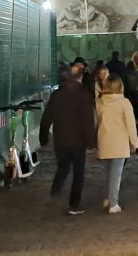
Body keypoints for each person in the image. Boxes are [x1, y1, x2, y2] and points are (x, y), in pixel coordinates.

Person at [40, 62, 97, 215]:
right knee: (78, 172)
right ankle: (74, 204)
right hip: (78, 141)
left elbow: (46, 118)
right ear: (81, 76)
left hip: (60, 140)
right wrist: (91, 142)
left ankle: (55, 194)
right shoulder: (83, 94)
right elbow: (87, 120)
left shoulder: (57, 94)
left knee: (63, 168)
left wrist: (43, 137)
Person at [95, 76, 138, 214]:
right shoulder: (124, 103)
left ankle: (107, 198)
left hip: (104, 141)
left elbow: (95, 123)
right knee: (116, 174)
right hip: (119, 143)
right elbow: (131, 125)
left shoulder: (100, 102)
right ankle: (113, 204)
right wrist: (134, 142)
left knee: (107, 174)